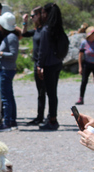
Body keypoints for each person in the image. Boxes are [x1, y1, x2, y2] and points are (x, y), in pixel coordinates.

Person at [36, 3, 65, 131]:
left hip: (48, 65)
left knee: (50, 94)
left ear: (46, 13)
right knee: (53, 93)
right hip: (57, 63)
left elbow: (42, 50)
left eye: (43, 12)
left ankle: (52, 120)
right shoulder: (58, 28)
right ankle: (52, 117)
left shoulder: (46, 30)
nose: (42, 15)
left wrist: (39, 65)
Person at [0, 12, 20, 132]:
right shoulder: (10, 37)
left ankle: (7, 122)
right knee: (9, 96)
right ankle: (11, 120)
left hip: (7, 70)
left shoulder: (11, 37)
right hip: (6, 69)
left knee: (6, 97)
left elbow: (13, 55)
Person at [22, 6, 47, 126]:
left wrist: (41, 65)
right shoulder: (37, 30)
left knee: (48, 92)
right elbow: (24, 33)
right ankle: (40, 117)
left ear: (39, 16)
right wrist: (24, 22)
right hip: (37, 63)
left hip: (43, 65)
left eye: (33, 16)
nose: (32, 18)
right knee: (41, 92)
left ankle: (50, 117)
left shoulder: (45, 30)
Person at [75, 26, 94, 106]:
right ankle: (81, 98)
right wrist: (80, 67)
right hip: (87, 64)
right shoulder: (84, 43)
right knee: (84, 81)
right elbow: (80, 55)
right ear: (90, 35)